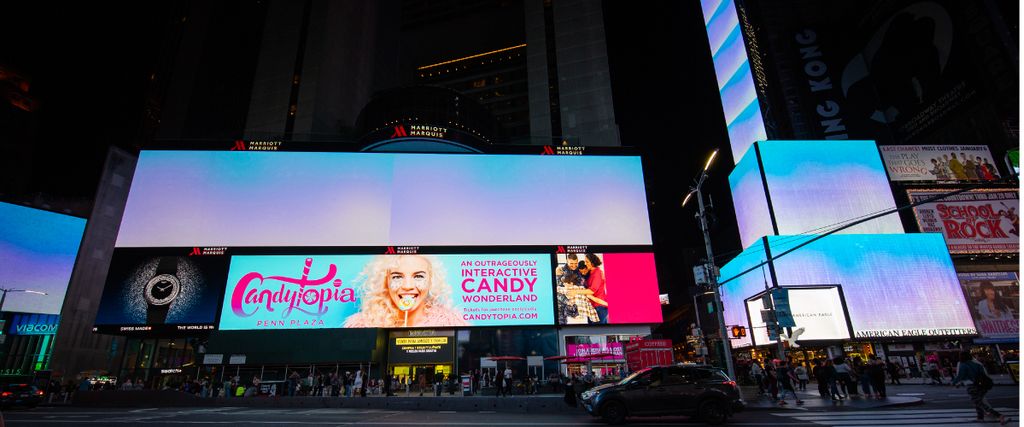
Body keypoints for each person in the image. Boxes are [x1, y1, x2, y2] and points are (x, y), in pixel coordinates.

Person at [344, 255, 468, 327]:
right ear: (385, 281)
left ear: (431, 281)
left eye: (418, 276)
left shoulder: (451, 322)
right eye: (397, 277)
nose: (407, 286)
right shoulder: (362, 324)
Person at [952, 351, 1008, 425]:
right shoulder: (976, 363)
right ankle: (980, 417)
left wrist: (954, 382)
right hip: (981, 385)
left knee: (979, 403)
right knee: (978, 401)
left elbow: (960, 376)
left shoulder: (963, 364)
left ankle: (999, 415)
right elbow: (983, 373)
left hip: (971, 386)